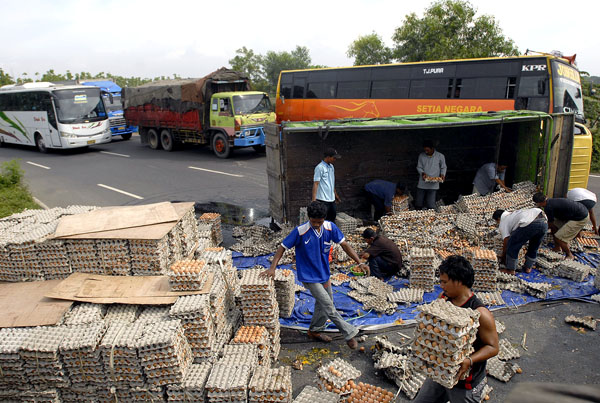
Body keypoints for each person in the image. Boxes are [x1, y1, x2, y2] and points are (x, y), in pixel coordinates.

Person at [260, 201, 364, 349]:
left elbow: (345, 245)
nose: (316, 224)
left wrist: (359, 262)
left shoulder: (330, 228)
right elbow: (282, 248)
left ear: (324, 219)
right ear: (309, 218)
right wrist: (272, 268)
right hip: (308, 276)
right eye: (314, 221)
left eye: (319, 222)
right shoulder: (300, 231)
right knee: (328, 305)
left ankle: (314, 331)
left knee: (323, 305)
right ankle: (349, 333)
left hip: (324, 274)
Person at [414, 255, 499, 403]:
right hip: (440, 373)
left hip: (465, 382)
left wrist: (469, 360)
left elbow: (493, 347)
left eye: (444, 282)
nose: (441, 285)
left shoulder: (480, 313)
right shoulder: (444, 299)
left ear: (459, 281)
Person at [533, 193, 589, 260]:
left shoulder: (548, 207)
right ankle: (557, 248)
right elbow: (552, 225)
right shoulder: (551, 201)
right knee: (556, 229)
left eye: (537, 204)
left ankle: (569, 255)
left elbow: (551, 225)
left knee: (559, 238)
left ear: (540, 203)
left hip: (580, 218)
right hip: (579, 212)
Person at [492, 208, 548, 275]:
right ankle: (528, 267)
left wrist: (504, 256)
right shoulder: (513, 213)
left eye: (497, 221)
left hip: (530, 223)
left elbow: (506, 241)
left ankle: (511, 269)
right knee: (534, 245)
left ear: (498, 218)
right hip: (543, 220)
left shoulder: (503, 221)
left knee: (513, 244)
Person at [416, 140, 446, 210]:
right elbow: (419, 167)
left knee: (431, 205)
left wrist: (442, 175)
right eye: (425, 150)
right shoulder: (421, 156)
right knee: (418, 203)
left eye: (427, 150)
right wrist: (422, 173)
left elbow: (443, 167)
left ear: (432, 148)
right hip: (422, 183)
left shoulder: (440, 156)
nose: (426, 152)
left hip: (433, 184)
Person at [312, 147, 341, 222]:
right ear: (328, 157)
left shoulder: (331, 167)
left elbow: (331, 182)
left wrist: (335, 194)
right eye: (334, 158)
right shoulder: (320, 168)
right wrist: (314, 201)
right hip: (323, 200)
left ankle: (330, 233)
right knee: (323, 220)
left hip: (331, 200)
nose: (335, 159)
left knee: (332, 219)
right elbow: (316, 183)